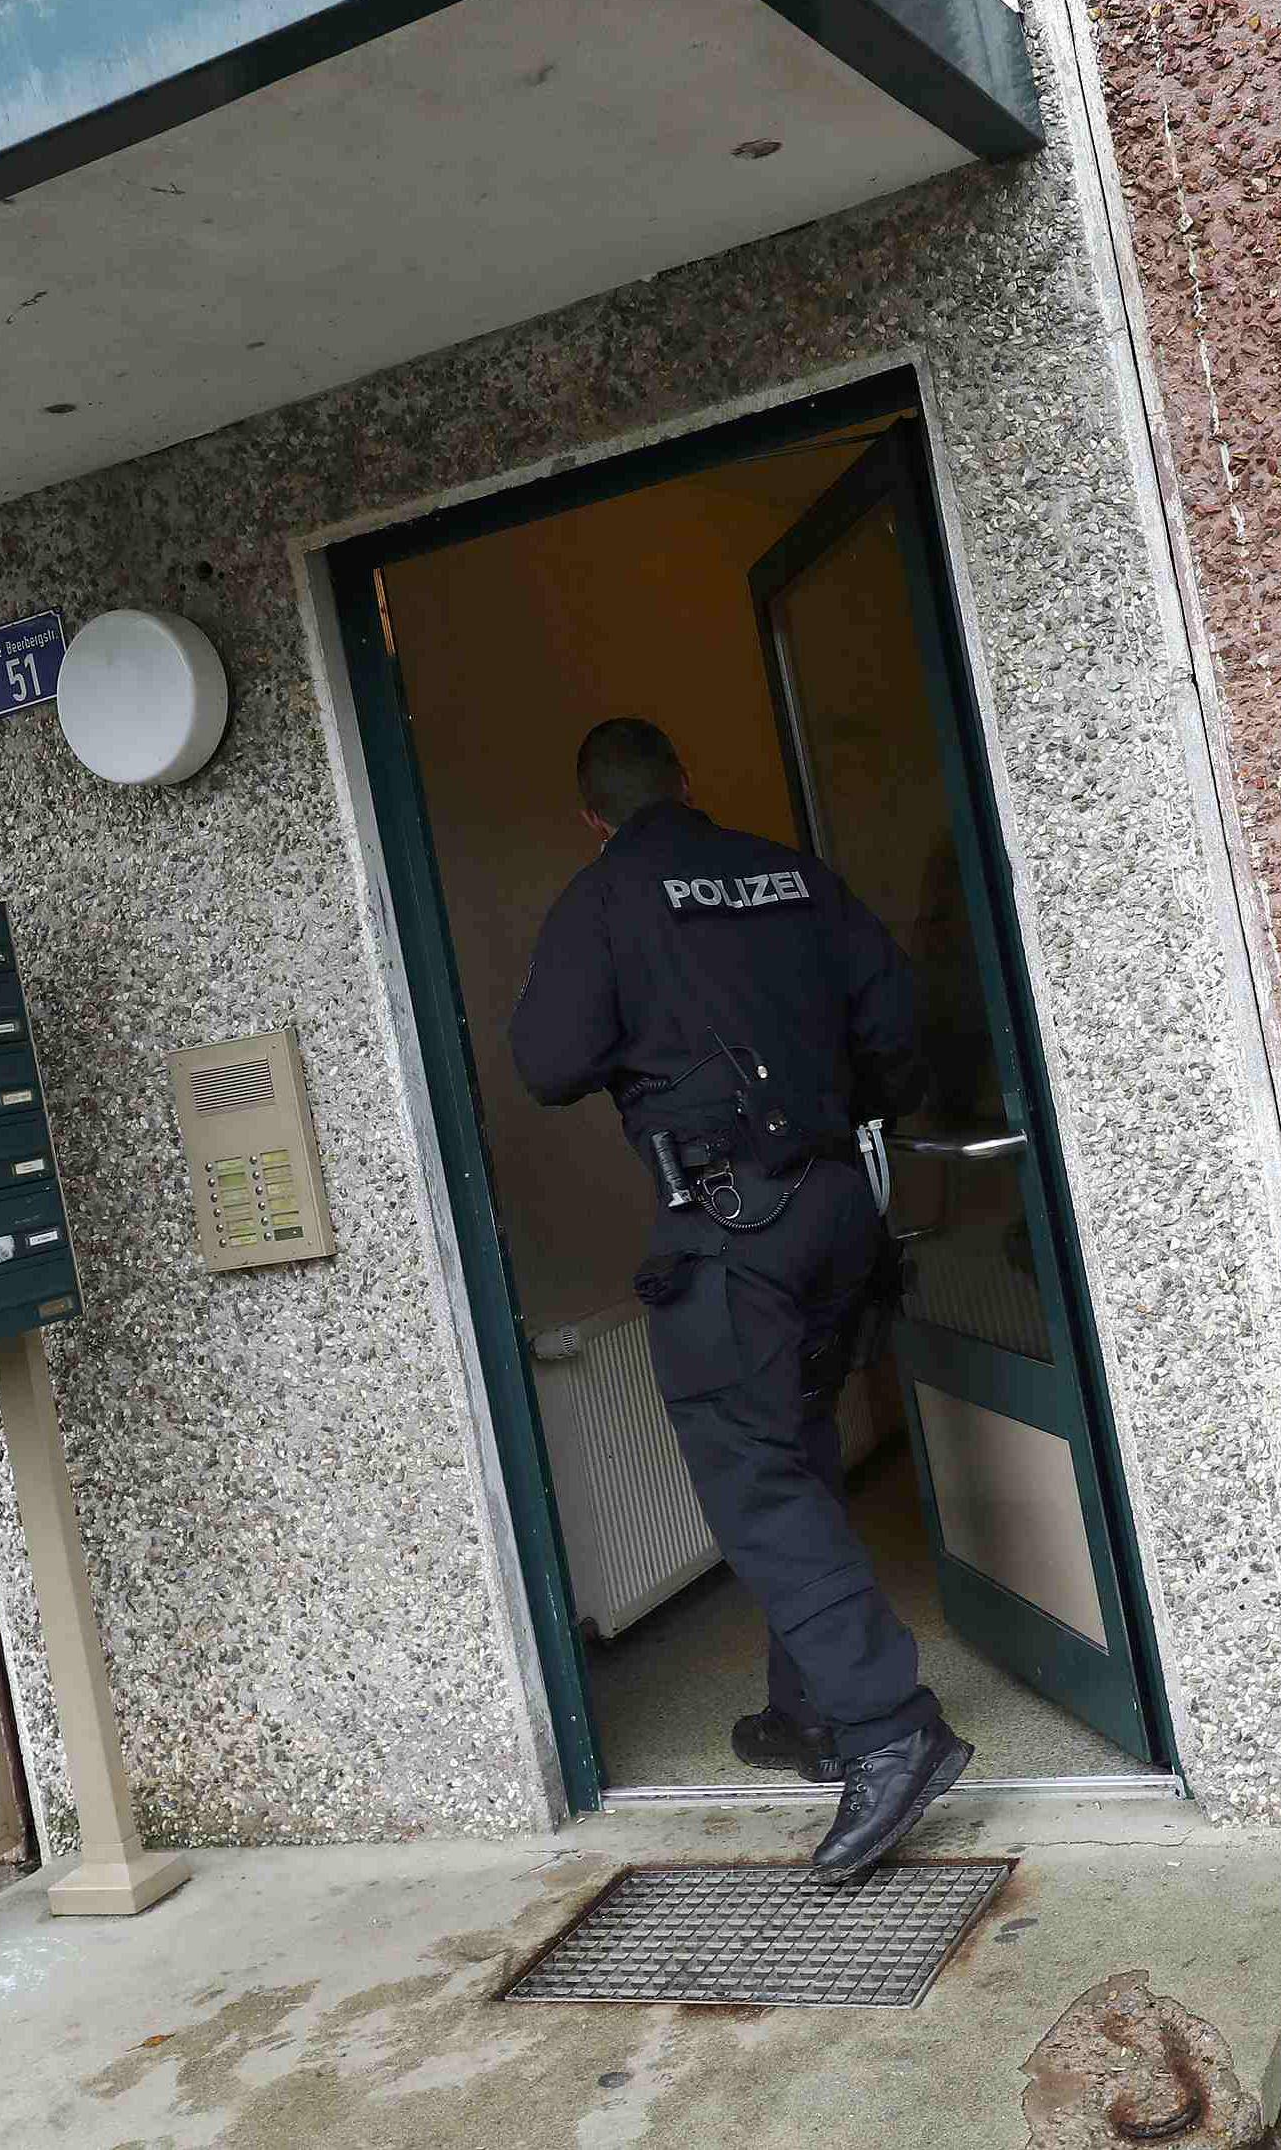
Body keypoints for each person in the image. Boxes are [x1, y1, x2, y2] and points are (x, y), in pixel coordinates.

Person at [510, 717, 972, 1881]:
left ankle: (886, 1726)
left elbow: (549, 1060)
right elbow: (896, 1019)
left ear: (594, 814)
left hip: (730, 1220)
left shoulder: (606, 893)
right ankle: (806, 1710)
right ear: (687, 781)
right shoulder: (793, 872)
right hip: (836, 1204)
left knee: (753, 1471)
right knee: (799, 1442)